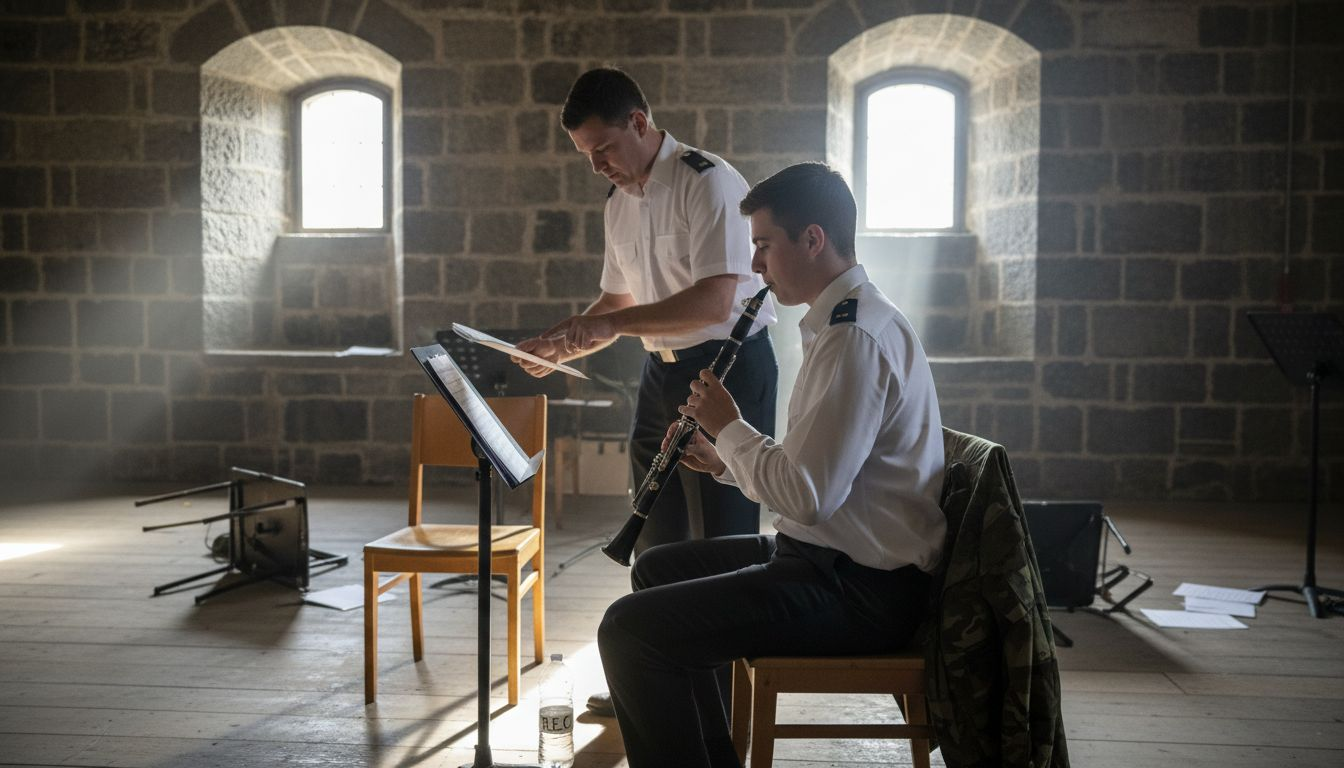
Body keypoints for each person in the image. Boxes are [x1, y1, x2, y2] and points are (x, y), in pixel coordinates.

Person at [595, 162, 947, 768]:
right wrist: (724, 460)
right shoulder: (840, 322)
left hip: (858, 590)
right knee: (656, 570)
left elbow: (808, 497)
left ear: (812, 239)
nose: (755, 264)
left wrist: (729, 425)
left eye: (763, 245)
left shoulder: (853, 338)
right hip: (826, 556)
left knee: (627, 631)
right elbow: (811, 472)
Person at [513, 68, 779, 715]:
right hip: (660, 371)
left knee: (719, 540)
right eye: (586, 154)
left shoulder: (706, 181)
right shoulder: (619, 202)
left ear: (639, 122)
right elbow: (617, 302)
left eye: (603, 148)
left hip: (726, 367)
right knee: (657, 535)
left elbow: (713, 300)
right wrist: (567, 342)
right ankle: (655, 679)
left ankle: (719, 697)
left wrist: (609, 325)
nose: (596, 165)